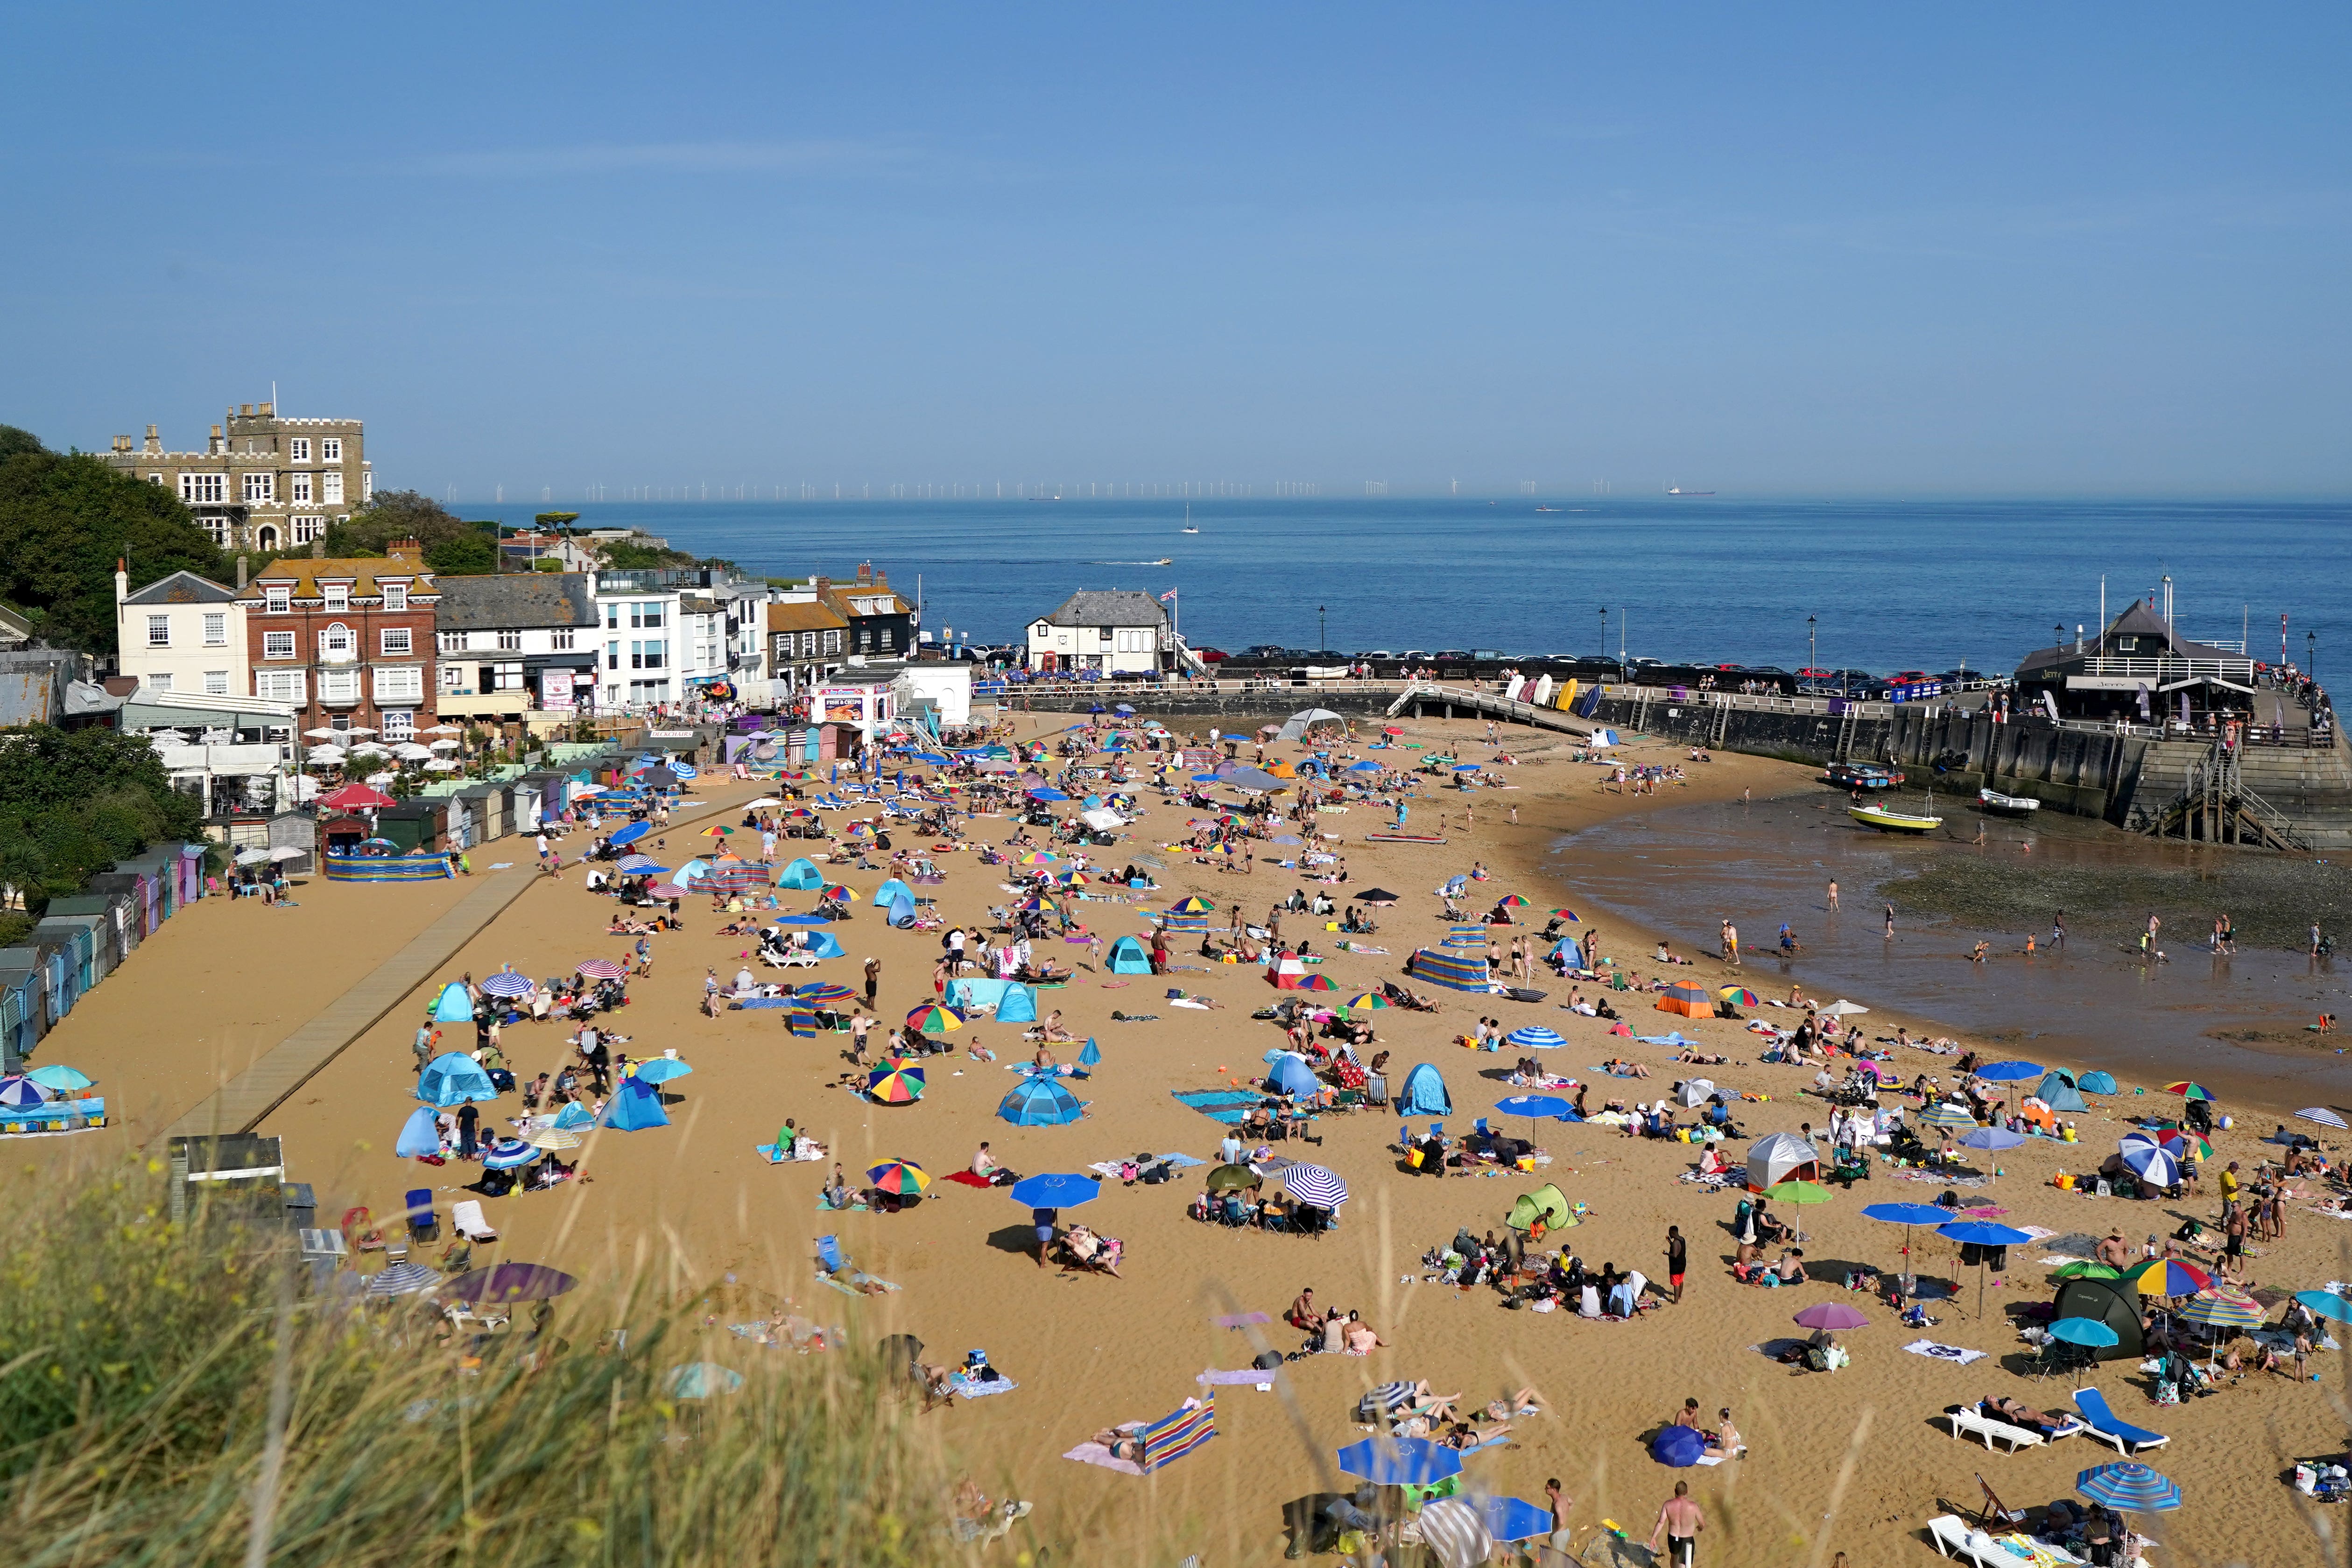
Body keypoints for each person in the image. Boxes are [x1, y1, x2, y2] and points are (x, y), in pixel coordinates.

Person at [1650, 1479, 1703, 1566]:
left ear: (1675, 1491)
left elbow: (1661, 1522)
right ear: (1687, 1492)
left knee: (1674, 1557)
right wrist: (1700, 1528)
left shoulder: (1668, 1504)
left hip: (1673, 1537)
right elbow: (1702, 1523)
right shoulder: (1693, 1506)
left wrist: (1654, 1537)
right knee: (1684, 1563)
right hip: (1687, 1539)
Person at [1664, 1224, 1688, 1304]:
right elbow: (1678, 1249)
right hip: (1683, 1264)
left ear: (1673, 1233)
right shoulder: (1682, 1239)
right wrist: (1670, 1242)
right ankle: (1680, 1296)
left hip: (1676, 1266)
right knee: (1681, 1280)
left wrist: (1667, 1254)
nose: (1670, 1234)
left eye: (1670, 1233)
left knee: (1676, 1284)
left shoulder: (1675, 1243)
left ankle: (1676, 1302)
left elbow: (1675, 1255)